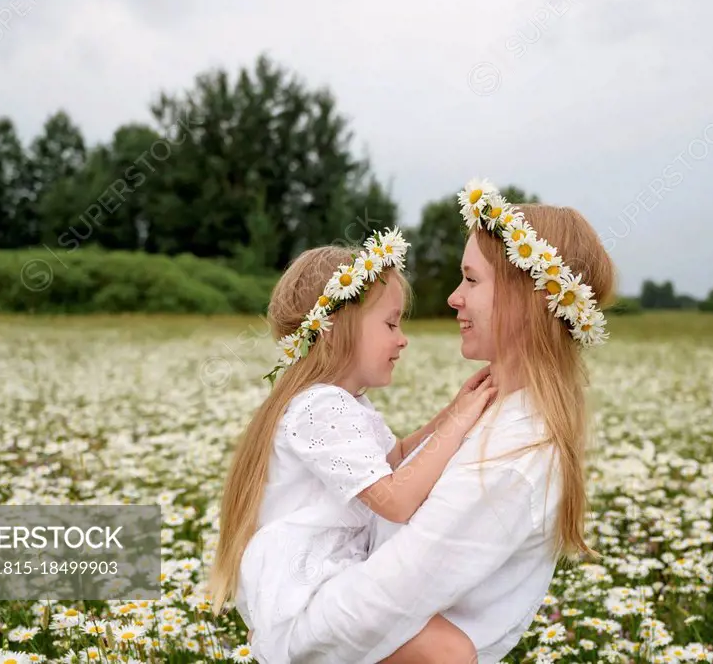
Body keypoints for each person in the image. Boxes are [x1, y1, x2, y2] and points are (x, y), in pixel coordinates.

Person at [286, 179, 616, 663]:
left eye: (472, 280)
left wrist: (286, 633)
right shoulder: (492, 413)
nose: (453, 298)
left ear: (527, 298)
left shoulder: (515, 455)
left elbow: (387, 597)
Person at [206, 227, 499, 663]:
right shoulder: (319, 408)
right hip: (308, 594)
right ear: (334, 329)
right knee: (448, 650)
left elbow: (394, 460)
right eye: (390, 323)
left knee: (446, 642)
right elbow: (394, 499)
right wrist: (458, 422)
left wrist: (452, 411)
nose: (402, 339)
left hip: (334, 580)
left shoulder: (341, 404)